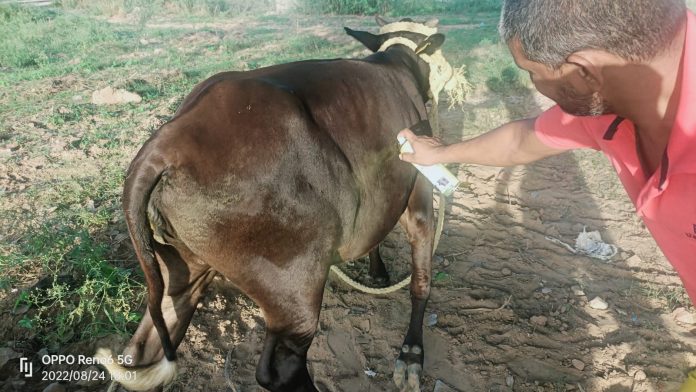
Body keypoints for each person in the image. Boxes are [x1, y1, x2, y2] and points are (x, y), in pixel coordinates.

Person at [398, 0, 696, 389]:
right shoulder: (615, 101)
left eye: (532, 73)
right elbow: (525, 139)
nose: (533, 86)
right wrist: (440, 154)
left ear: (584, 71)